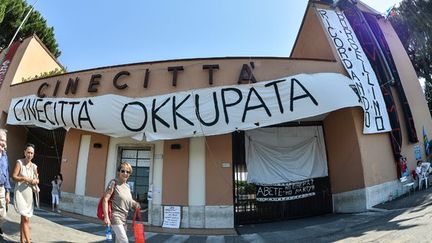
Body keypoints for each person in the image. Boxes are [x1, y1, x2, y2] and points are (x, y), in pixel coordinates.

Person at [103, 162, 140, 243]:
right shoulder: (113, 183)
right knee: (124, 241)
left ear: (130, 174)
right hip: (116, 216)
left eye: (128, 172)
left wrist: (135, 204)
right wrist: (106, 217)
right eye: (123, 171)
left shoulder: (127, 186)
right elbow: (105, 199)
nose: (125, 173)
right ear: (118, 172)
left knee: (119, 241)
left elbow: (129, 201)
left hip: (124, 218)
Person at [12, 143, 39, 243]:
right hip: (20, 194)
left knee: (24, 219)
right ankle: (28, 241)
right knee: (26, 219)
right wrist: (24, 178)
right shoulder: (19, 162)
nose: (30, 155)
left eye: (32, 153)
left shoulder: (34, 166)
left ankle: (22, 240)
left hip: (28, 195)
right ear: (24, 152)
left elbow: (37, 179)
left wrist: (35, 181)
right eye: (28, 152)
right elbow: (14, 177)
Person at [0, 129, 11, 236]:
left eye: (5, 141)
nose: (3, 143)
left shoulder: (5, 155)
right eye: (1, 140)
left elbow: (7, 173)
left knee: (2, 214)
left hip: (2, 188)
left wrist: (7, 191)